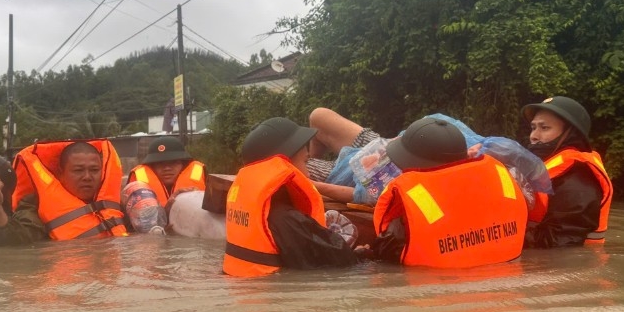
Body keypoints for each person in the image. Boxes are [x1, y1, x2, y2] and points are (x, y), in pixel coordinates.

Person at [362, 117, 528, 267]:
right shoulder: (499, 173)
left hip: (436, 289)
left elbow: (387, 250)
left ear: (410, 163)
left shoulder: (412, 194)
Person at [223, 117, 359, 277]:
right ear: (284, 165)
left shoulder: (268, 212)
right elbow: (339, 263)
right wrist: (360, 255)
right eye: (305, 161)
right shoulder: (288, 220)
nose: (308, 173)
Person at [0, 139, 128, 246]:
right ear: (61, 174)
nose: (87, 177)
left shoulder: (119, 201)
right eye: (78, 170)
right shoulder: (35, 204)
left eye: (94, 170)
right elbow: (13, 243)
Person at [520, 96, 613, 248]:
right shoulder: (542, 167)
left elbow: (560, 243)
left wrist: (503, 233)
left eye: (544, 128)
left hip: (565, 267)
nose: (534, 136)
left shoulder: (578, 179)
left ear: (571, 133)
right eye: (533, 127)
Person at [127, 136, 206, 208]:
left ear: (183, 164)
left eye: (173, 162)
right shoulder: (139, 183)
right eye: (160, 163)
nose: (167, 168)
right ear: (152, 167)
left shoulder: (201, 175)